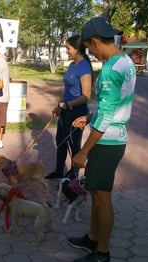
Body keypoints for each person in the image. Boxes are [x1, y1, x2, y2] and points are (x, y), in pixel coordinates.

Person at [67, 17, 136, 262]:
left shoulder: (109, 69)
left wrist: (83, 152)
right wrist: (89, 118)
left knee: (102, 198)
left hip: (106, 142)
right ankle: (92, 239)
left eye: (89, 49)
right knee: (96, 193)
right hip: (114, 137)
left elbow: (108, 114)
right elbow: (113, 106)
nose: (91, 54)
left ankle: (102, 252)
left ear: (94, 42)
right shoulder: (125, 62)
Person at [45, 35, 92, 180]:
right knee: (61, 142)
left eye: (68, 48)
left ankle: (73, 177)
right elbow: (67, 91)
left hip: (77, 112)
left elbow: (86, 96)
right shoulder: (72, 65)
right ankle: (59, 171)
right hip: (65, 110)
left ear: (77, 49)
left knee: (74, 145)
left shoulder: (84, 67)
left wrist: (68, 105)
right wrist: (59, 105)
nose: (66, 51)